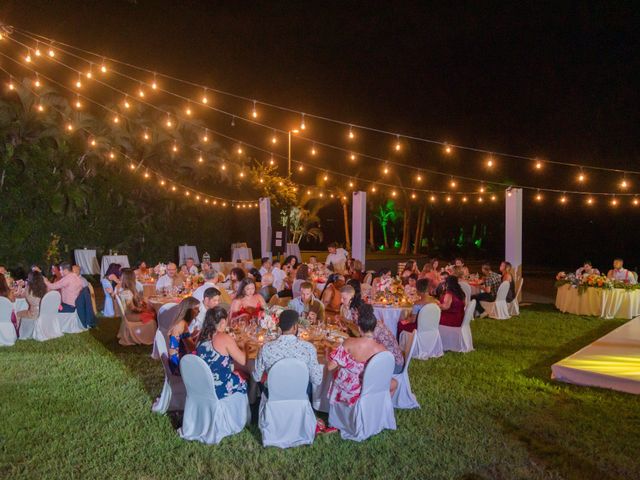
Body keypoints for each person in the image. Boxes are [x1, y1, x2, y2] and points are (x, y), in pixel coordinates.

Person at [327, 305, 397, 406]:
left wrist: (328, 352)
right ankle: (379, 408)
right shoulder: (382, 350)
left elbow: (330, 366)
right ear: (374, 328)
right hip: (370, 387)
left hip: (348, 388)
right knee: (395, 383)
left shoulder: (349, 342)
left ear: (359, 328)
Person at [253, 309, 324, 393]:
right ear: (295, 327)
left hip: (273, 396)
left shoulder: (266, 348)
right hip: (299, 396)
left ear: (279, 327)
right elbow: (317, 380)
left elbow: (256, 377)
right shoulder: (309, 348)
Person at [196, 306, 248, 399]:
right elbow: (243, 361)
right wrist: (244, 345)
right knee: (246, 376)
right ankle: (251, 407)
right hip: (220, 388)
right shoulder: (223, 337)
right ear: (223, 321)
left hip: (203, 385)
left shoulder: (201, 336)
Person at [360, 304, 404, 374]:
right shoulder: (375, 323)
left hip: (395, 366)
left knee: (361, 369)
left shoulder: (373, 330)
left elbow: (366, 350)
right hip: (395, 360)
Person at [167, 296, 200, 374]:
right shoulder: (182, 324)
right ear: (187, 310)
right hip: (179, 366)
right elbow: (192, 348)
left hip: (174, 361)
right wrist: (200, 336)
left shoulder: (179, 322)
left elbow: (181, 341)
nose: (198, 311)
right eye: (196, 309)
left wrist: (192, 335)